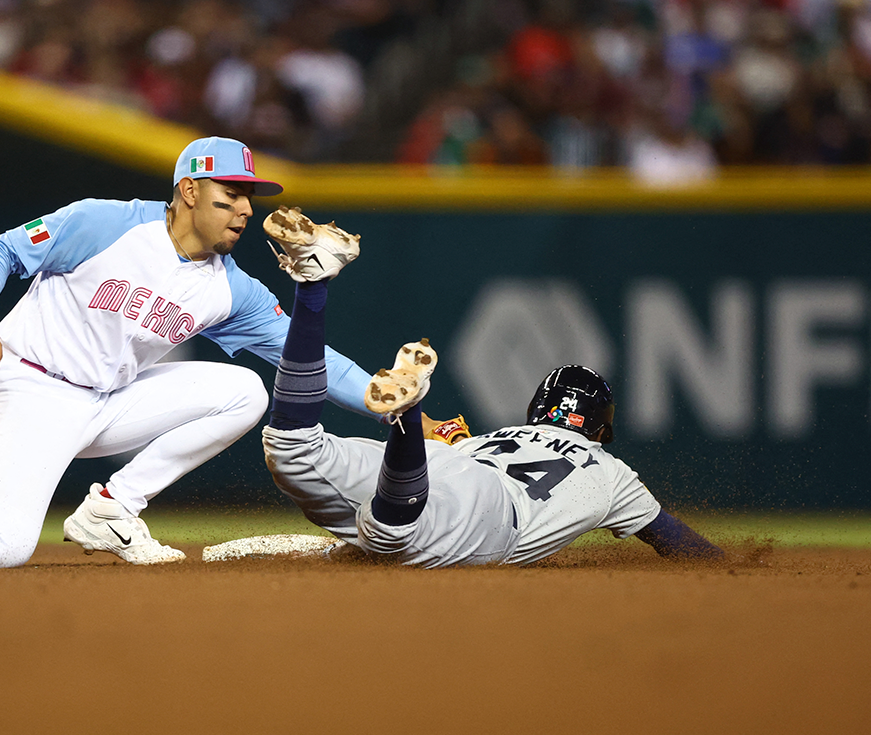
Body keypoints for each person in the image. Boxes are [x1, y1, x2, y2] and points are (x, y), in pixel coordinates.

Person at [0, 137, 367, 569]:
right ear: (189, 190)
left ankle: (112, 508)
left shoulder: (231, 288)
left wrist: (396, 407)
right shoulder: (103, 225)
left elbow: (310, 361)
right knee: (4, 546)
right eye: (231, 193)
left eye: (249, 197)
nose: (245, 208)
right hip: (25, 388)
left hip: (107, 403)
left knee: (244, 392)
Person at [260, 224, 725, 569]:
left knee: (292, 448)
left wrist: (440, 434)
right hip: (494, 512)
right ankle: (408, 407)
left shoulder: (506, 434)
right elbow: (681, 545)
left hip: (447, 463)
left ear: (536, 410)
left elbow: (447, 447)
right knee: (392, 535)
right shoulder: (612, 473)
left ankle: (313, 283)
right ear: (601, 430)